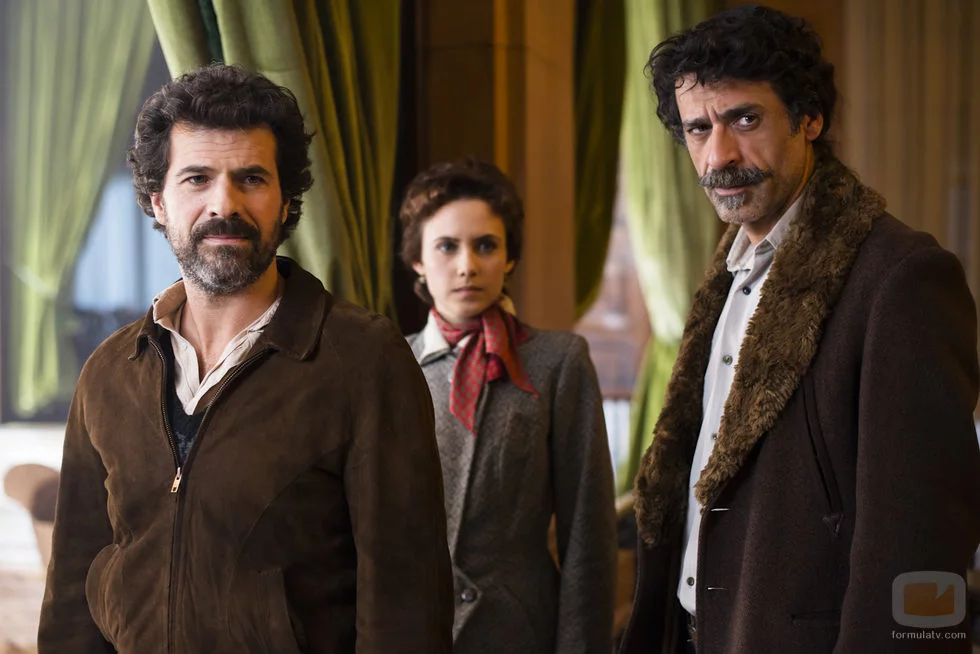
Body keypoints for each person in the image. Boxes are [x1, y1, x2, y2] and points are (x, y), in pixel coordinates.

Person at [37, 64, 454, 653]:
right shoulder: (109, 371)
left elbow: (406, 609)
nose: (224, 204)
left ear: (285, 202)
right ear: (158, 202)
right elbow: (72, 597)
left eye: (251, 178)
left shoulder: (364, 359)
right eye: (197, 178)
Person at [619, 5, 980, 654]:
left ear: (809, 118)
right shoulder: (725, 276)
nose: (719, 156)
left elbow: (921, 542)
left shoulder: (902, 278)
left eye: (745, 120)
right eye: (698, 129)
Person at [399, 158, 618, 653]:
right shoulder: (389, 365)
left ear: (509, 258)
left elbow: (588, 535)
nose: (467, 266)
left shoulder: (558, 362)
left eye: (486, 246)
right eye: (447, 246)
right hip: (413, 631)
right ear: (417, 260)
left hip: (518, 633)